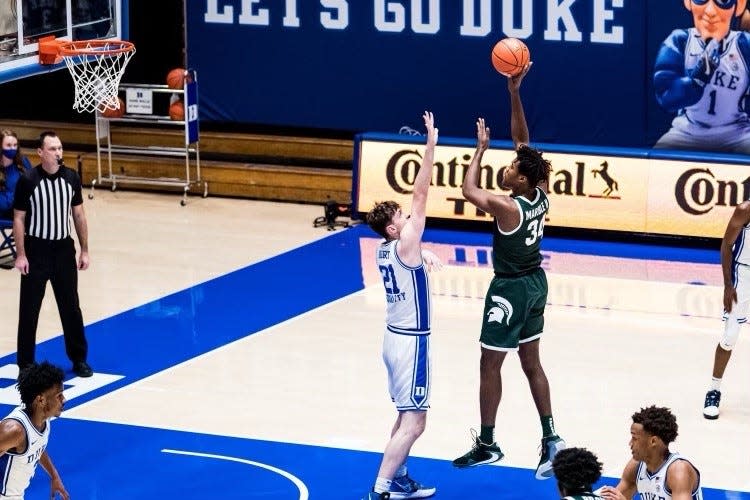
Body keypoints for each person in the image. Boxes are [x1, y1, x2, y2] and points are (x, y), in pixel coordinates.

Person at [452, 64, 565, 480]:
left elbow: (468, 191)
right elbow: (524, 142)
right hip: (537, 284)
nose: (508, 167)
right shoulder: (540, 193)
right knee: (532, 363)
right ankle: (551, 439)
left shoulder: (507, 205)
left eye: (512, 169)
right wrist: (514, 92)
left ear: (519, 181)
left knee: (489, 364)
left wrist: (479, 148)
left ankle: (487, 443)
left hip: (510, 289)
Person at [362, 111, 440, 500]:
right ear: (394, 229)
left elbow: (409, 255)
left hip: (394, 340)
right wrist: (430, 146)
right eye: (401, 217)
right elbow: (421, 193)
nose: (407, 216)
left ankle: (399, 478)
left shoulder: (384, 249)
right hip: (411, 343)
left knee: (405, 415)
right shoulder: (404, 242)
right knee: (416, 422)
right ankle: (381, 491)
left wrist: (424, 256)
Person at [12, 131, 93, 378]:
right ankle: (25, 364)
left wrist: (85, 249)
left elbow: (78, 215)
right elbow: (19, 218)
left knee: (71, 307)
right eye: (52, 149)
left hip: (62, 251)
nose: (58, 153)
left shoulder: (71, 178)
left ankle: (78, 359)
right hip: (36, 250)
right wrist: (21, 254)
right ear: (40, 152)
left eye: (60, 148)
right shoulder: (28, 180)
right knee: (29, 309)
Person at [653, 0, 750, 154]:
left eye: (723, 1)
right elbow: (667, 97)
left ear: (738, 5)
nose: (710, 11)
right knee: (656, 163)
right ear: (688, 2)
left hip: (737, 134)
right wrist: (697, 79)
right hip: (687, 132)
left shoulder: (745, 45)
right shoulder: (680, 41)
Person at [702, 200, 750, 419]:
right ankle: (714, 389)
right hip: (743, 276)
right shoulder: (745, 210)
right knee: (730, 336)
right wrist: (728, 285)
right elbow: (726, 245)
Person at [599, 406, 703, 500]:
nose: (630, 443)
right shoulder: (635, 466)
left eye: (634, 438)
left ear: (653, 441)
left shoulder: (678, 471)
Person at [0, 361, 69, 500]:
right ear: (41, 400)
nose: (64, 399)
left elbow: (37, 446)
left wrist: (54, 475)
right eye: (59, 395)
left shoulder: (43, 419)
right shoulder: (15, 431)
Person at [0, 129, 31, 220]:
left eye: (15, 145)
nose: (12, 148)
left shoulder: (23, 161)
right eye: (8, 145)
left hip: (21, 209)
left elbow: (33, 183)